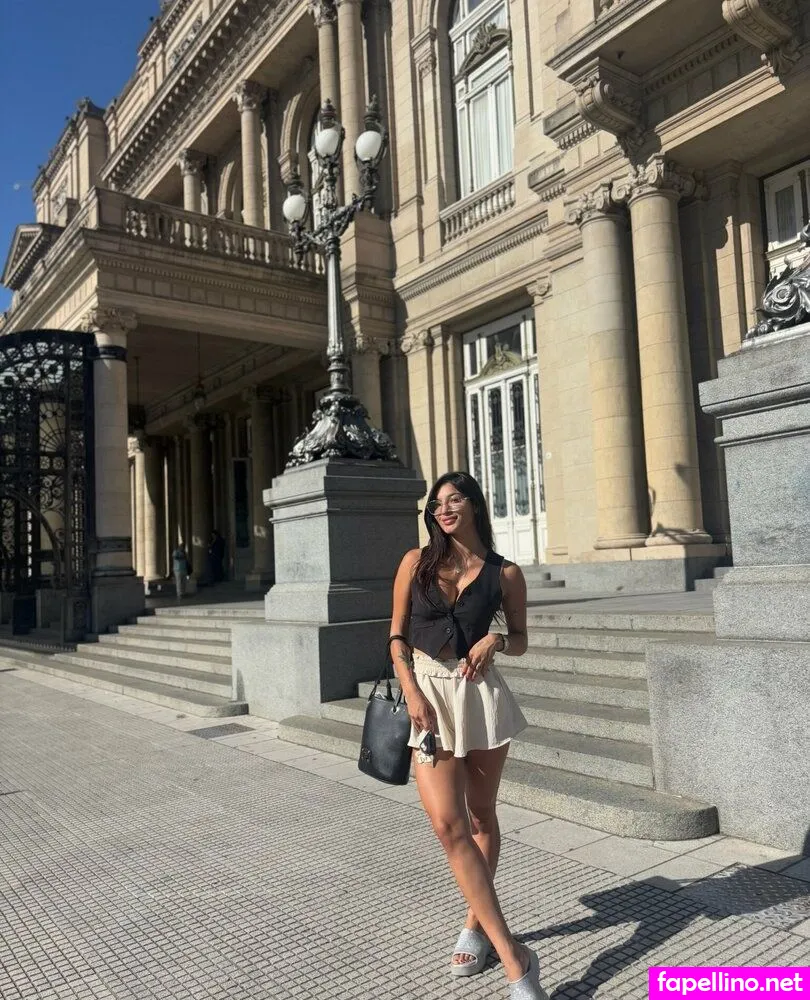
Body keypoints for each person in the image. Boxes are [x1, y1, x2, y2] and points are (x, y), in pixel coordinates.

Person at [389, 471, 548, 999]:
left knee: (481, 817)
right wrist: (411, 692)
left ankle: (474, 926)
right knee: (448, 826)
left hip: (479, 699)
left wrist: (496, 639)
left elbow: (521, 639)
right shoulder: (415, 562)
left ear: (475, 504)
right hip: (427, 695)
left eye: (454, 499)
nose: (444, 509)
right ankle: (516, 958)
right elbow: (396, 635)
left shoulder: (505, 573)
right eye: (437, 503)